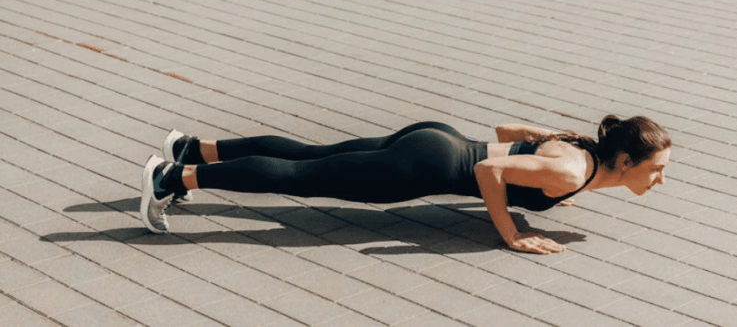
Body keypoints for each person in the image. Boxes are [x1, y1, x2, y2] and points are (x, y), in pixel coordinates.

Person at [140, 115, 672, 254]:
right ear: (624, 159)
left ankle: (194, 149)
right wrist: (509, 233)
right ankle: (173, 177)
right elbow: (489, 173)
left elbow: (504, 136)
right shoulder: (571, 171)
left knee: (310, 154)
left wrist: (540, 136)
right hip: (420, 169)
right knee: (303, 177)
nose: (661, 178)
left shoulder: (575, 147)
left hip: (435, 138)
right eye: (655, 168)